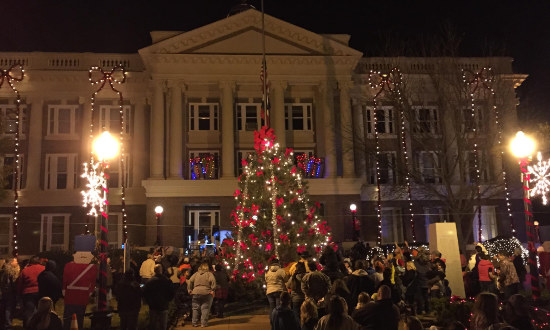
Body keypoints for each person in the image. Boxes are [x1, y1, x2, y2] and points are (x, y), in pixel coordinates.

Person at [143, 264, 175, 330]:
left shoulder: (150, 281)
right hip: (163, 305)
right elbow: (172, 292)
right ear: (161, 270)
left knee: (153, 325)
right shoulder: (167, 280)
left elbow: (145, 293)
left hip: (153, 306)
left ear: (154, 271)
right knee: (163, 325)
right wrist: (168, 300)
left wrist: (149, 302)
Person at [18, 256, 45, 327]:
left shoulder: (25, 270)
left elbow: (20, 283)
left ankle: (29, 326)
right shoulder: (43, 269)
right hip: (41, 292)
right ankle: (40, 326)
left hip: (28, 293)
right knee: (41, 311)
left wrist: (20, 292)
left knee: (29, 311)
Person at [188, 262, 216, 327]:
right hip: (206, 293)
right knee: (205, 308)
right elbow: (213, 281)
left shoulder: (196, 274)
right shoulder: (209, 274)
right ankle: (203, 323)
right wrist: (212, 290)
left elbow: (190, 281)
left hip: (196, 292)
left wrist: (189, 290)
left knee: (195, 308)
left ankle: (194, 322)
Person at [1, 257, 19, 329]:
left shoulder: (3, 270)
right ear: (11, 262)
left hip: (4, 292)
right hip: (10, 293)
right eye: (15, 261)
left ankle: (3, 323)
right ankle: (8, 324)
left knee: (4, 308)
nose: (17, 262)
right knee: (9, 308)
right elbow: (13, 283)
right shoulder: (11, 271)